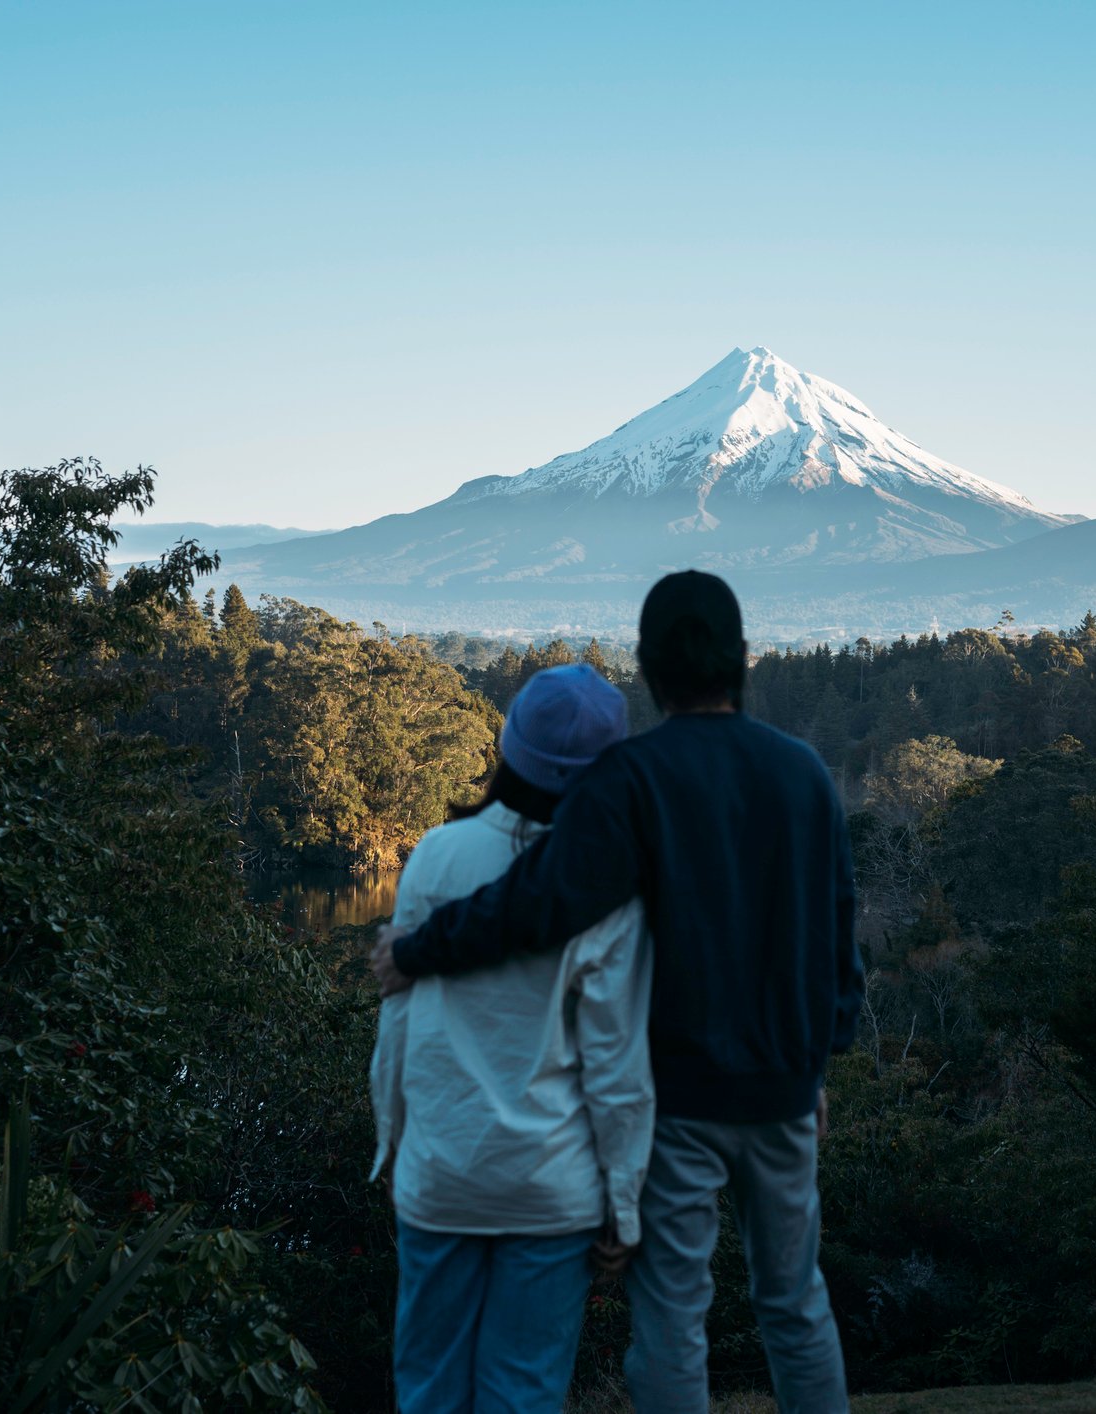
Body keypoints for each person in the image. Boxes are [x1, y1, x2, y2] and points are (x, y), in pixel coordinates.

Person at [375, 570, 862, 1414]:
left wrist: (418, 949)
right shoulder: (803, 773)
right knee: (796, 1302)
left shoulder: (631, 778)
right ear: (742, 658)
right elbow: (835, 934)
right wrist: (820, 1062)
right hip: (782, 1091)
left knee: (673, 1314)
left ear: (648, 668)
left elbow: (544, 899)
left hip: (677, 1096)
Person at [369, 662, 653, 1414]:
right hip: (551, 1189)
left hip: (442, 1174)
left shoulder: (437, 853)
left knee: (427, 1387)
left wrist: (393, 1142)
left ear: (507, 747)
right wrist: (625, 1205)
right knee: (522, 1393)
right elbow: (617, 1067)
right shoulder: (609, 893)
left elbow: (400, 1020)